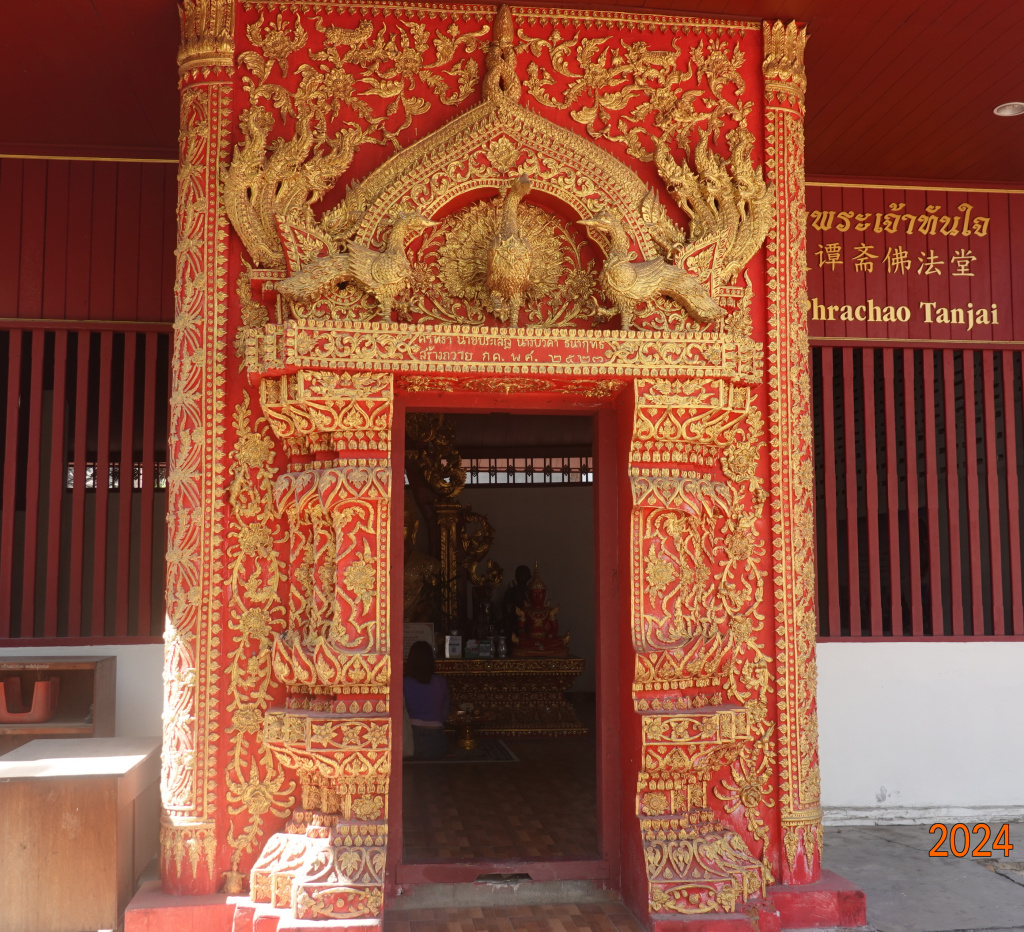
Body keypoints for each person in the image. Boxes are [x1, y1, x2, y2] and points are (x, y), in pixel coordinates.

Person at [403, 640, 450, 760]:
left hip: (412, 740)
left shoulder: (404, 683)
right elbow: (445, 712)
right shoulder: (441, 681)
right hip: (437, 742)